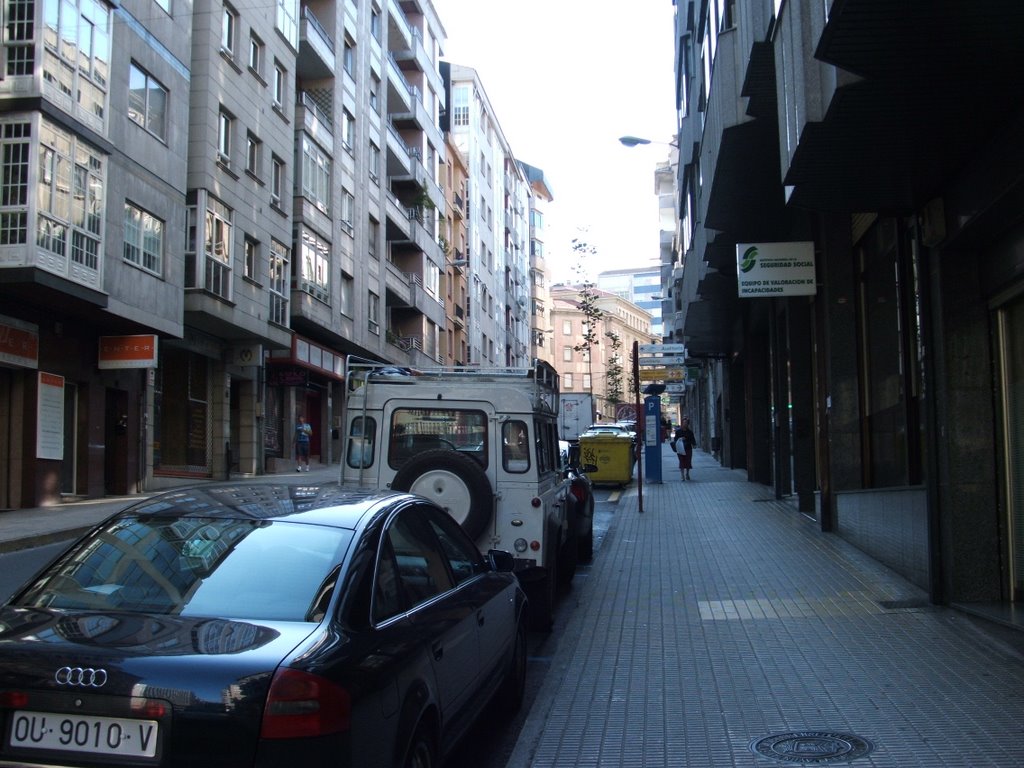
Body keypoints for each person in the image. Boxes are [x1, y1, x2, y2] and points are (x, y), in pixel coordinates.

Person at [672, 417, 697, 481]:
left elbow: (692, 439)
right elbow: (675, 440)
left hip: (688, 448)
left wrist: (694, 444)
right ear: (682, 423)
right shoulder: (678, 432)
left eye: (686, 423)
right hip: (680, 449)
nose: (684, 424)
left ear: (688, 424)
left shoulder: (690, 432)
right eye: (683, 423)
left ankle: (687, 474)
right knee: (681, 462)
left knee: (688, 462)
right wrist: (680, 439)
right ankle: (682, 475)